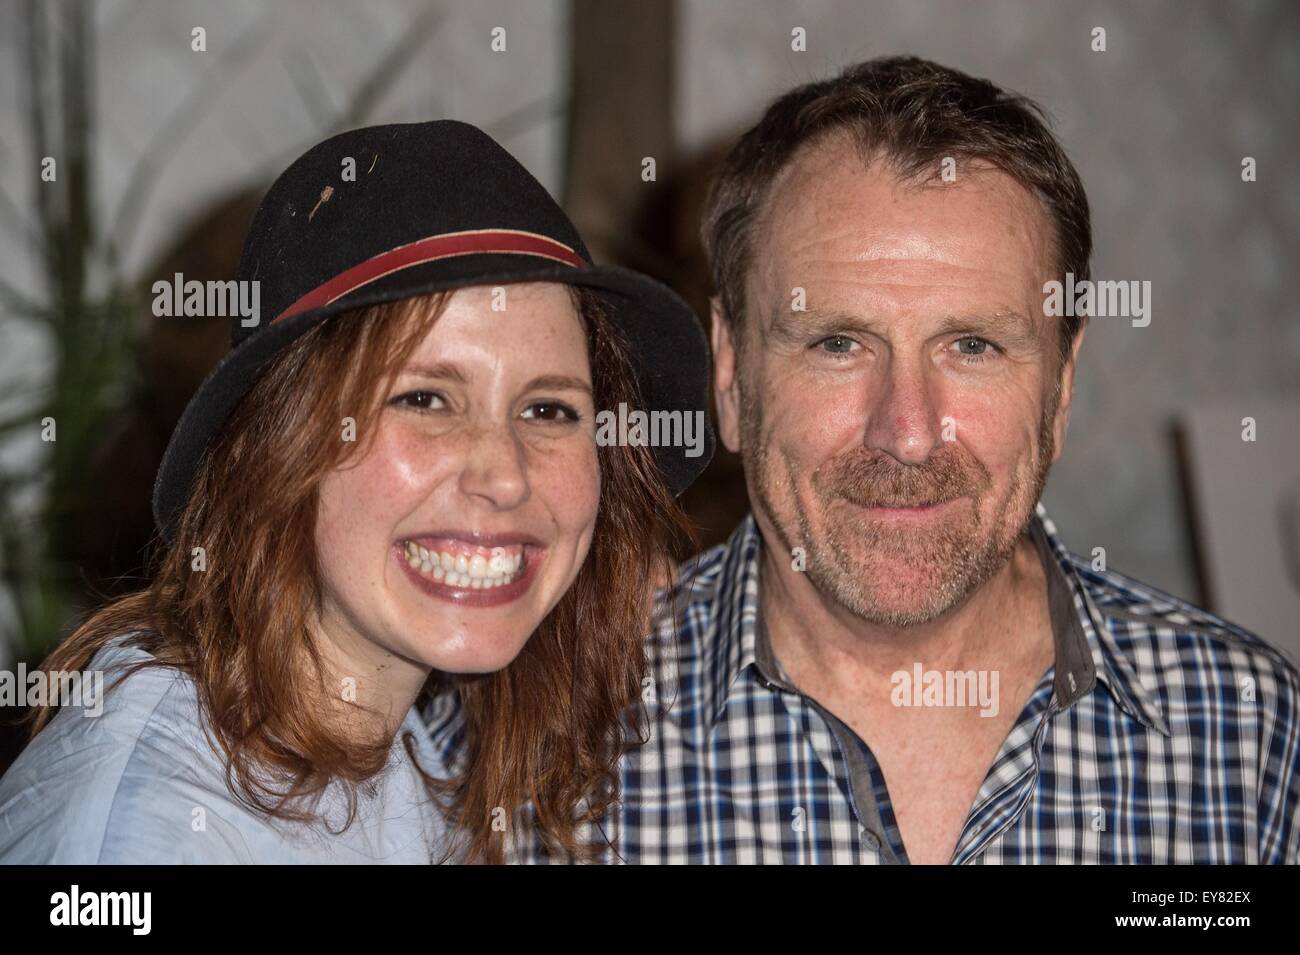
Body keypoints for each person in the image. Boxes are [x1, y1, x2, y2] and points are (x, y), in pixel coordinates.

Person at [486, 56, 1300, 864]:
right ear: (730, 373)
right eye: (838, 343)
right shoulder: (548, 743)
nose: (908, 432)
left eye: (973, 344)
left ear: (1060, 386)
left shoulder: (1245, 731)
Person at [0, 119, 713, 864]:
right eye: (425, 399)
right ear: (273, 445)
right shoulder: (154, 829)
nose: (505, 474)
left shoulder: (405, 753)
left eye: (549, 409)